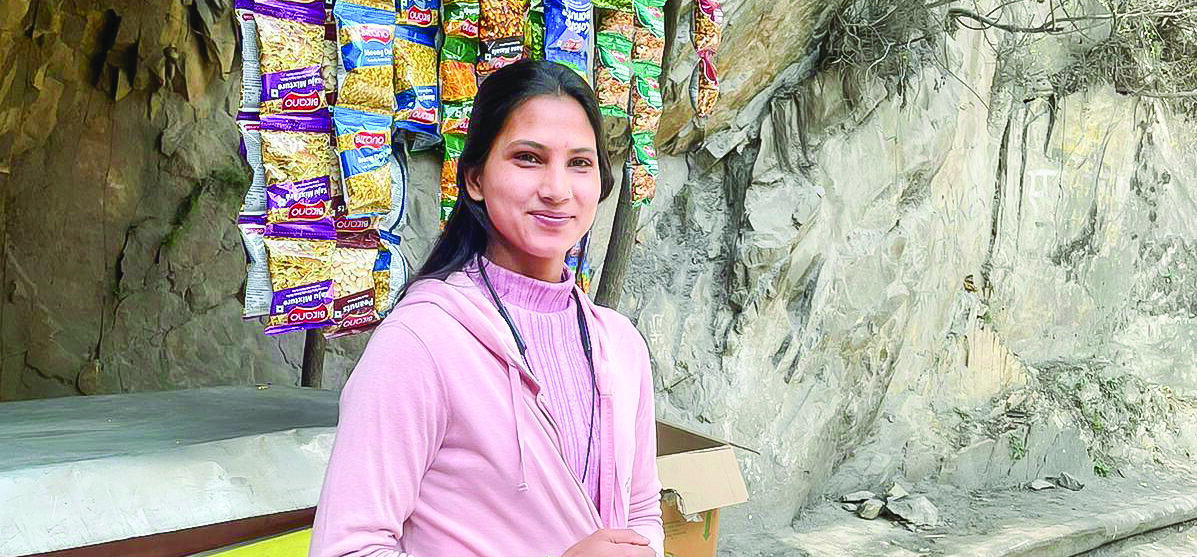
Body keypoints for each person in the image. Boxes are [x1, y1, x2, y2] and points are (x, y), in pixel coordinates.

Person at [309, 60, 664, 557]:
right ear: (475, 179)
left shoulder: (619, 345)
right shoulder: (423, 341)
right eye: (528, 158)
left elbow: (641, 512)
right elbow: (349, 548)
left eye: (580, 163)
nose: (557, 189)